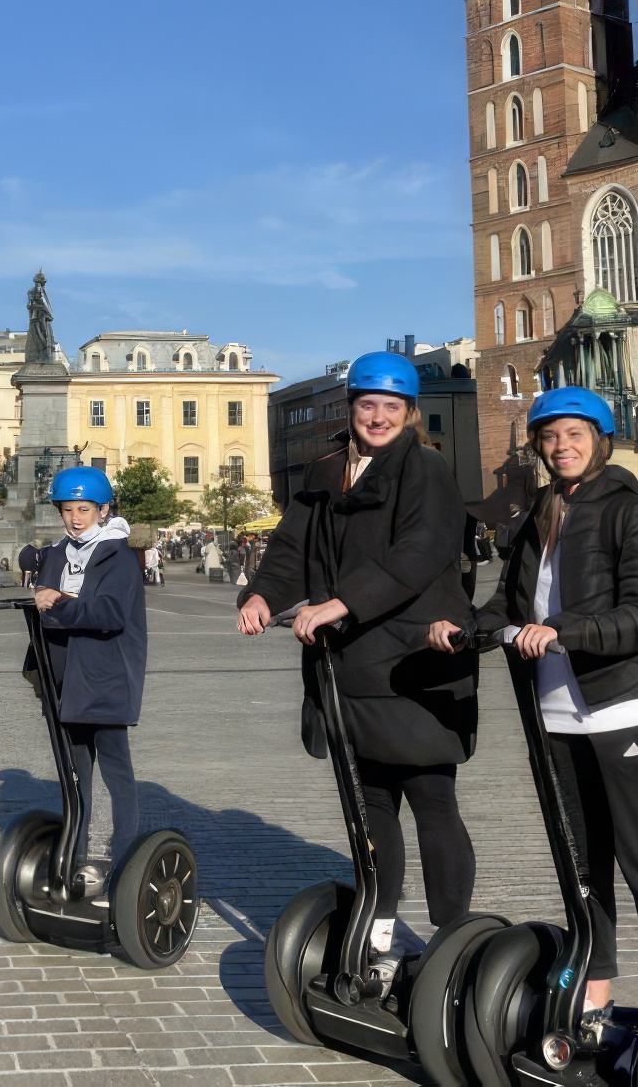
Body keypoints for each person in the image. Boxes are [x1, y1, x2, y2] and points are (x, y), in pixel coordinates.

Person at [238, 351, 478, 994]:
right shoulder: (324, 474)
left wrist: (341, 603)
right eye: (367, 404)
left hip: (416, 662)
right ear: (350, 408)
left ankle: (453, 941)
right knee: (372, 805)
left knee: (432, 798)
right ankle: (380, 932)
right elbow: (290, 549)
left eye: (390, 407)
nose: (377, 416)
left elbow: (419, 552)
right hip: (349, 666)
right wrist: (261, 594)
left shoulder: (425, 469)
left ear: (409, 413)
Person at [433, 387, 638, 1020]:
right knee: (581, 861)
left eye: (575, 434)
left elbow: (634, 614)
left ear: (600, 440)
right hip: (554, 711)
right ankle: (595, 996)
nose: (561, 446)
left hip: (621, 709)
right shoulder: (542, 512)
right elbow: (511, 604)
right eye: (550, 437)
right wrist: (468, 627)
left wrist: (563, 631)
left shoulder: (626, 508)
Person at [31, 465, 145, 895]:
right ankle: (73, 860)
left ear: (103, 510)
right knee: (75, 776)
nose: (75, 518)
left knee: (118, 775)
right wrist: (52, 603)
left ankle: (126, 862)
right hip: (64, 678)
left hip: (105, 677)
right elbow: (44, 609)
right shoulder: (58, 553)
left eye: (84, 509)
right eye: (68, 509)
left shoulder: (118, 556)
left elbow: (110, 612)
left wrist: (62, 601)